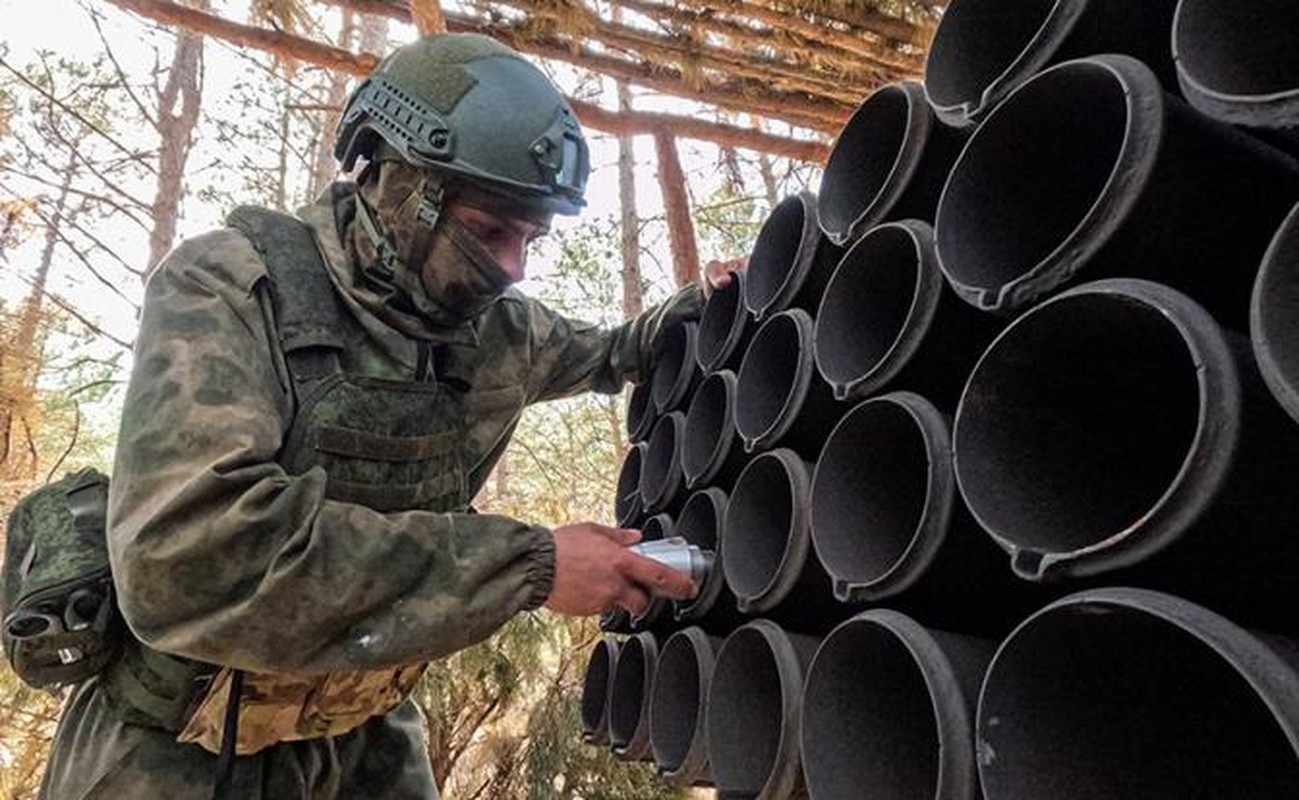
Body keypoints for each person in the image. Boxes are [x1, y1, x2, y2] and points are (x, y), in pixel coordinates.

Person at [39, 33, 734, 799]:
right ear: (400, 186)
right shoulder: (233, 286)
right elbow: (188, 557)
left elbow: (620, 352)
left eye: (531, 237)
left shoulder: (495, 330)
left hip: (365, 732)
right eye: (489, 230)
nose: (513, 268)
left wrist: (722, 297)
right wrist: (529, 564)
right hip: (185, 743)